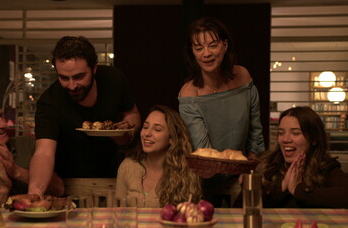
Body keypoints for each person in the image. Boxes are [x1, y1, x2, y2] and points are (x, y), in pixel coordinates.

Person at [28, 36, 141, 197]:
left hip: (116, 179)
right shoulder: (49, 102)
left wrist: (126, 135)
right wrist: (34, 193)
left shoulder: (114, 79)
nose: (72, 85)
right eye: (64, 78)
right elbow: (43, 152)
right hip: (70, 184)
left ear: (94, 69)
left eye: (79, 77)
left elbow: (132, 113)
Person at [178, 17, 265, 207]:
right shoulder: (189, 93)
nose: (206, 54)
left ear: (224, 46)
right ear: (192, 53)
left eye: (213, 45)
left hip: (244, 174)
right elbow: (204, 152)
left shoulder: (242, 76)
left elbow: (255, 129)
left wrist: (251, 167)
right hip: (204, 181)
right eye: (198, 48)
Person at [256, 106, 348, 208]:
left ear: (314, 139)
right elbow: (242, 205)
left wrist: (298, 190)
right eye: (281, 133)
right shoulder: (266, 165)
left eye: (295, 133)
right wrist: (282, 187)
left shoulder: (326, 167)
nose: (285, 139)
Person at [115, 105, 202, 207]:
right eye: (145, 127)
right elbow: (119, 211)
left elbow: (189, 216)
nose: (147, 133)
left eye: (157, 129)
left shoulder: (185, 172)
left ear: (172, 138)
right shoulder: (128, 166)